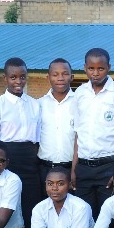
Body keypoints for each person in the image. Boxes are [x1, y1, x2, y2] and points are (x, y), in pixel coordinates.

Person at [72, 48, 114, 221]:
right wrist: (75, 168)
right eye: (91, 69)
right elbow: (78, 133)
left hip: (109, 166)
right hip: (83, 168)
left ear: (109, 67)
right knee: (84, 219)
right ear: (85, 68)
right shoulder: (80, 93)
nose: (96, 73)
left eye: (101, 69)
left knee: (110, 220)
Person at [0, 57, 42, 227]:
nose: (18, 81)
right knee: (8, 204)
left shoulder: (34, 104)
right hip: (7, 159)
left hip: (30, 160)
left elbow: (36, 139)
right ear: (5, 78)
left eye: (22, 77)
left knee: (31, 203)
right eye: (13, 77)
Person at [37, 58, 76, 195]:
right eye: (55, 74)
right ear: (48, 77)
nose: (60, 78)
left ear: (72, 77)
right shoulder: (39, 105)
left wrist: (74, 170)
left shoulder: (79, 103)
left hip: (72, 168)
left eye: (65, 74)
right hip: (45, 168)